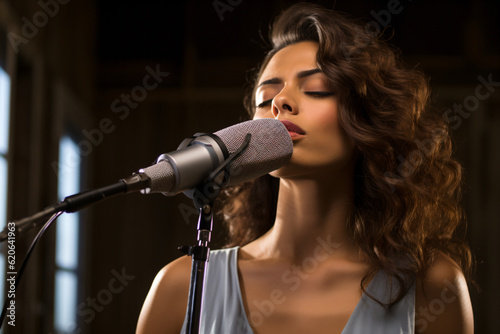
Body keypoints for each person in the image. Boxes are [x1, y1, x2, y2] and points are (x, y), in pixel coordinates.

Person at [136, 3, 474, 333]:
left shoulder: (432, 287)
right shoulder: (181, 285)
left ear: (366, 119)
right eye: (265, 100)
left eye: (317, 89)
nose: (280, 102)